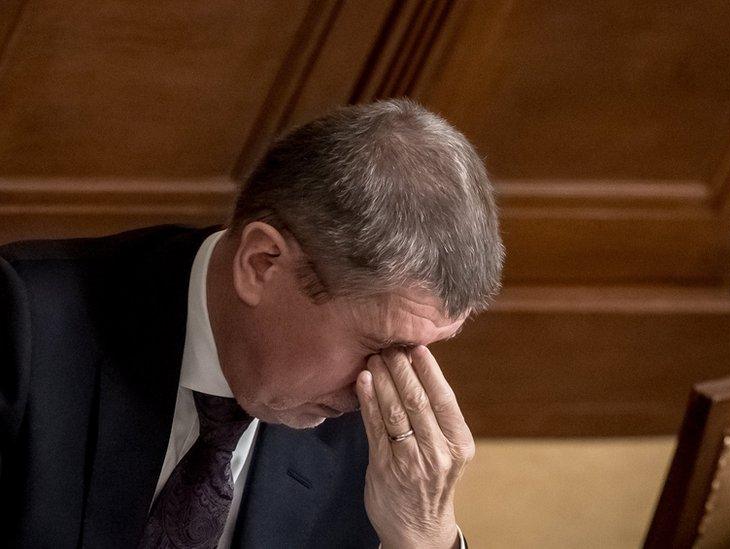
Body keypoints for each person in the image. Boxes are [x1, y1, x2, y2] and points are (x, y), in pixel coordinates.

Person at [0, 99, 504, 548]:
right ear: (262, 263)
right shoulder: (20, 325)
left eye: (420, 349)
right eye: (377, 343)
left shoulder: (382, 444)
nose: (388, 382)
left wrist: (423, 538)